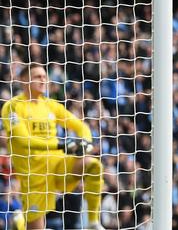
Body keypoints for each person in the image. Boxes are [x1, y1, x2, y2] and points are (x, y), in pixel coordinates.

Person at [0, 63, 104, 230]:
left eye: (44, 76)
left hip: (57, 167)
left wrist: (86, 142)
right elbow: (23, 140)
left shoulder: (50, 105)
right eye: (37, 77)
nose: (43, 80)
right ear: (24, 80)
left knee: (92, 165)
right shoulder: (12, 107)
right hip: (33, 177)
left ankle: (93, 222)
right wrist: (60, 144)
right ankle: (19, 222)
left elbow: (80, 126)